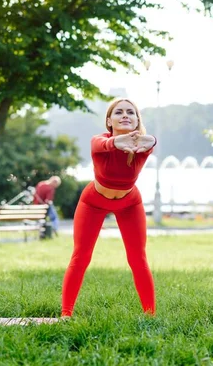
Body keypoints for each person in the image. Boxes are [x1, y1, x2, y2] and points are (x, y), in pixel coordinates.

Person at [59, 98, 157, 319]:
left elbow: (151, 140)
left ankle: (150, 316)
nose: (125, 115)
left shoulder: (141, 147)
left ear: (137, 121)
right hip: (93, 202)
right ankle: (66, 314)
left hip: (129, 203)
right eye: (119, 112)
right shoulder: (100, 141)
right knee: (81, 256)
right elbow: (100, 145)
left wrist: (148, 139)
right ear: (109, 121)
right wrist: (116, 142)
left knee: (137, 258)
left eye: (131, 113)